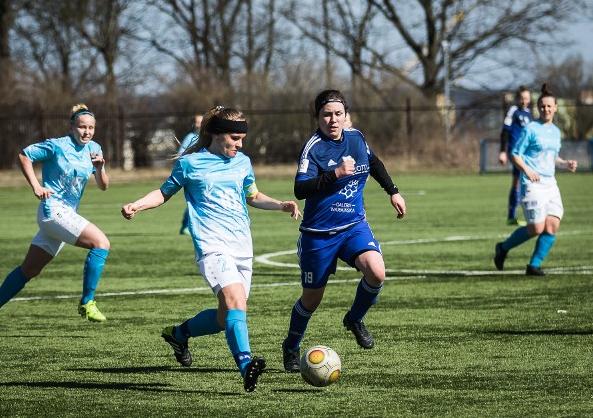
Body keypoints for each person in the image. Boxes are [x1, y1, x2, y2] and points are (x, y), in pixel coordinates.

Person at [121, 106, 301, 392]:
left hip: (242, 246)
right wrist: (137, 205)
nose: (240, 144)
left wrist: (280, 205)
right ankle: (246, 367)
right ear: (217, 135)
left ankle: (178, 334)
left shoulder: (243, 162)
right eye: (235, 137)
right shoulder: (190, 164)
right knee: (234, 302)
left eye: (242, 138)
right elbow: (163, 192)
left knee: (224, 317)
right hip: (211, 245)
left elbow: (252, 196)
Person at [281, 89, 406, 373]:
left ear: (346, 116)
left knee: (377, 272)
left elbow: (374, 163)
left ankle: (354, 319)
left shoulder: (356, 138)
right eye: (327, 114)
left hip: (353, 226)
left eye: (338, 114)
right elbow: (300, 189)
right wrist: (334, 174)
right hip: (319, 233)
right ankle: (290, 346)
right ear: (317, 118)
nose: (333, 120)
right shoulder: (313, 148)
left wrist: (393, 192)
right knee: (312, 299)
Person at [0, 104, 111, 338]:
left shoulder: (94, 149)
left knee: (29, 269)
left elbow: (103, 186)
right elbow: (24, 155)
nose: (86, 132)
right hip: (53, 211)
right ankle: (87, 302)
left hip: (66, 214)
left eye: (91, 128)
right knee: (101, 243)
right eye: (81, 127)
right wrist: (36, 185)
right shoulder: (57, 145)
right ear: (72, 126)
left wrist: (100, 169)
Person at [494, 84, 577, 276]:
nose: (546, 109)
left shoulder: (556, 132)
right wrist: (527, 171)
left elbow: (552, 157)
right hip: (532, 184)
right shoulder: (531, 128)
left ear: (555, 107)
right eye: (542, 107)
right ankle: (503, 248)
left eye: (549, 106)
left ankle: (533, 265)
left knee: (552, 225)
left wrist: (565, 163)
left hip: (550, 183)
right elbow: (515, 154)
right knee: (537, 227)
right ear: (537, 108)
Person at [498, 86, 532, 226]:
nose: (524, 101)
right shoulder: (513, 111)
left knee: (522, 181)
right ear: (518, 98)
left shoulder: (530, 114)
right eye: (522, 98)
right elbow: (505, 132)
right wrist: (502, 151)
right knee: (519, 180)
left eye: (527, 98)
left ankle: (516, 216)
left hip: (527, 153)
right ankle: (512, 216)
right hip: (515, 152)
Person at [177, 114, 203, 235]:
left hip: (204, 173)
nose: (200, 124)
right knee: (196, 200)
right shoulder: (190, 137)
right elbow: (181, 153)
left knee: (199, 199)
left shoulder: (207, 137)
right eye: (197, 122)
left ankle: (187, 224)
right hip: (193, 173)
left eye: (202, 122)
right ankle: (187, 225)